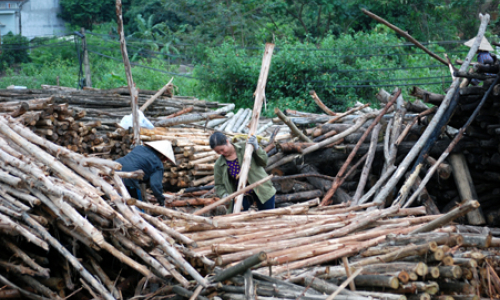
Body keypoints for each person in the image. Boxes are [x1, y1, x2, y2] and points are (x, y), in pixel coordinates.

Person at [210, 132, 276, 212]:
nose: (221, 153)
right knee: (237, 217)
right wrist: (224, 194)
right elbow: (219, 185)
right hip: (242, 194)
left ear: (227, 142)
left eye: (222, 149)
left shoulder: (246, 147)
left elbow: (264, 162)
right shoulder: (219, 164)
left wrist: (256, 147)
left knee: (268, 216)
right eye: (218, 152)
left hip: (262, 189)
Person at [116, 141, 175, 206]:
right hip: (129, 178)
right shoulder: (158, 163)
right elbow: (155, 185)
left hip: (114, 168)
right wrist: (161, 200)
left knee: (116, 198)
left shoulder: (139, 148)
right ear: (162, 156)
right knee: (137, 205)